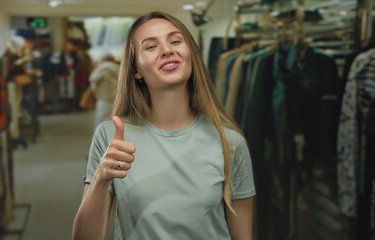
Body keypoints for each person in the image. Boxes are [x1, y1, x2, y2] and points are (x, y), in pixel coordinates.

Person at [73, 11, 255, 240]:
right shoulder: (111, 138)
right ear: (136, 70)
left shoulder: (230, 142)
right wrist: (101, 177)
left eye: (176, 41)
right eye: (150, 46)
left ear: (190, 54)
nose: (167, 50)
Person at [89, 53, 120, 130]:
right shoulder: (118, 68)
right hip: (117, 97)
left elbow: (93, 78)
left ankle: (100, 137)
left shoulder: (103, 68)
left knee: (101, 118)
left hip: (104, 96)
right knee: (115, 118)